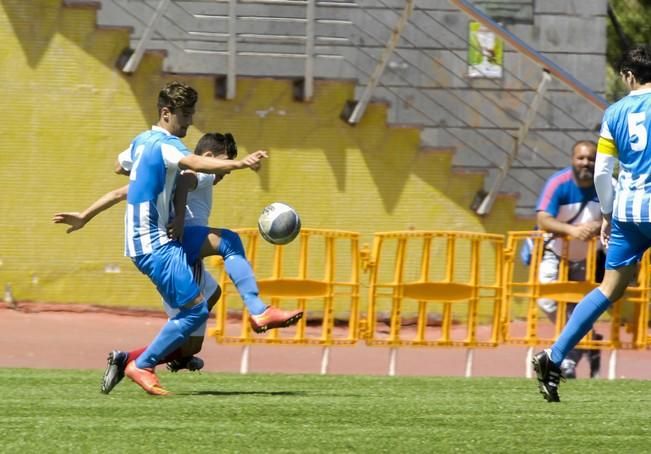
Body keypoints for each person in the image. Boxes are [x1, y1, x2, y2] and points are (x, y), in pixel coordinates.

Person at [54, 132, 302, 394]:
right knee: (228, 241)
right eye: (223, 165)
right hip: (177, 247)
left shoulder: (160, 177)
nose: (222, 174)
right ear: (207, 158)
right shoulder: (199, 172)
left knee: (194, 335)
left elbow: (119, 191)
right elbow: (187, 180)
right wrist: (181, 217)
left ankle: (127, 359)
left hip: (178, 253)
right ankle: (257, 311)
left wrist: (84, 216)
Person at [82, 81, 266, 395]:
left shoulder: (142, 142)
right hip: (158, 243)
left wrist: (85, 214)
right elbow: (193, 165)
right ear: (167, 113)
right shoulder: (169, 146)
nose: (190, 120)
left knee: (200, 316)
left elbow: (119, 167)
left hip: (149, 242)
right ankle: (140, 364)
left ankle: (134, 359)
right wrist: (238, 163)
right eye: (185, 114)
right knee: (197, 307)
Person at [532, 45, 651, 402]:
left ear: (629, 76)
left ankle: (553, 358)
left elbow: (602, 171)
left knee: (607, 290)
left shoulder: (615, 111)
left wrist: (609, 214)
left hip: (629, 213)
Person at [534, 140, 604, 379]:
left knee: (579, 309)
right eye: (581, 158)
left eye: (591, 159)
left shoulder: (606, 185)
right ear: (572, 159)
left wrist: (598, 225)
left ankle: (568, 363)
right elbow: (543, 218)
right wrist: (571, 230)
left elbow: (616, 217)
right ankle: (588, 339)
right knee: (546, 302)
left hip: (587, 258)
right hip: (556, 252)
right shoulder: (558, 183)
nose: (586, 163)